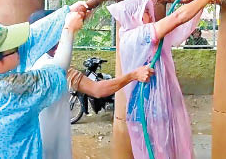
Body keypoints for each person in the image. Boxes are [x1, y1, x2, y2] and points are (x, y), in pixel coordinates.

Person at [0, 1, 88, 159]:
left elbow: (32, 37)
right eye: (13, 47)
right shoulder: (11, 91)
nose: (19, 46)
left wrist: (68, 12)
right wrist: (68, 30)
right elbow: (58, 70)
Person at [107, 0, 226, 159]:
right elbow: (178, 17)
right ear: (134, 17)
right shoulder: (136, 37)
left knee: (166, 148)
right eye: (145, 13)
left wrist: (202, 4)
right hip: (146, 106)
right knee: (154, 151)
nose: (150, 16)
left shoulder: (148, 36)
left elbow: (181, 25)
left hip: (159, 104)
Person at [28, 9, 154, 159]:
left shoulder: (24, 62)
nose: (59, 41)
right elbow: (97, 89)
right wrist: (133, 75)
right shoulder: (52, 68)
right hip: (49, 149)